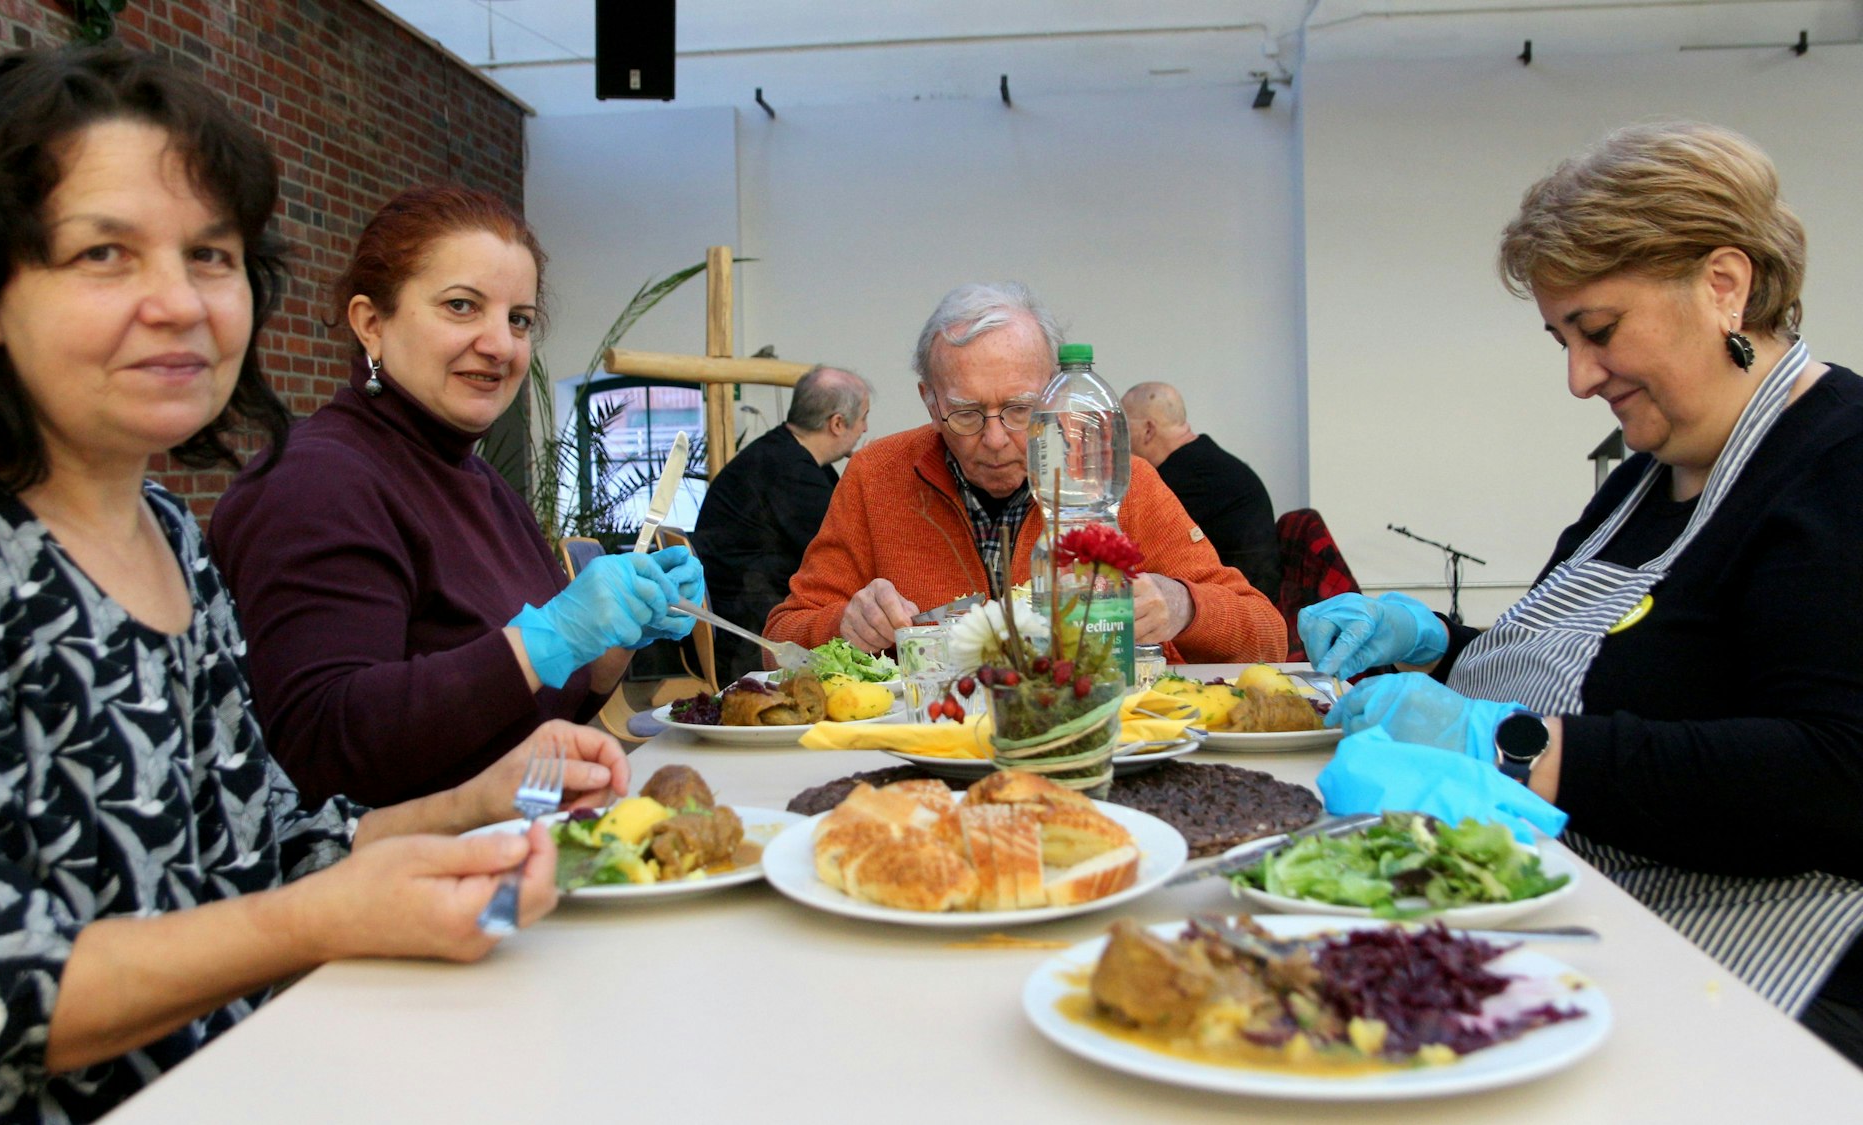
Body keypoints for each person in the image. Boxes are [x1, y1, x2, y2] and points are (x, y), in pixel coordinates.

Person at [0, 46, 630, 1122]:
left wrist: (479, 803)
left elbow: (267, 844)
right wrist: (317, 921)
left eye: (210, 256)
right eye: (104, 255)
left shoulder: (170, 541)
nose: (178, 302)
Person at [1299, 122, 1863, 1064]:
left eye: (1599, 331)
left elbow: (1834, 773)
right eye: (1562, 339)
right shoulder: (1651, 470)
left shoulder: (1838, 464)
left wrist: (1515, 747)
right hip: (1587, 898)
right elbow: (1625, 663)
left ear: (1725, 285)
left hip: (1759, 972)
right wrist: (1430, 639)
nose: (1577, 377)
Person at [208, 185, 704, 806]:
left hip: (513, 848)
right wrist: (548, 637)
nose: (500, 345)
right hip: (398, 886)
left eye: (518, 319)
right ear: (371, 324)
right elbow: (322, 750)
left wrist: (612, 643)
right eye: (462, 307)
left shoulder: (485, 486)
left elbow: (539, 718)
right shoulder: (312, 482)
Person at [765, 282, 1285, 663]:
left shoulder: (1117, 480)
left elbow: (1267, 635)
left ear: (1056, 391)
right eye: (966, 414)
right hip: (932, 753)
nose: (994, 440)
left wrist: (1182, 605)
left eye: (1020, 410)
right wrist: (843, 624)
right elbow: (778, 641)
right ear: (929, 401)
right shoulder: (876, 475)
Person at [694, 365, 870, 678]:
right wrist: (874, 475)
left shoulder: (782, 455)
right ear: (838, 424)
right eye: (863, 418)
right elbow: (850, 555)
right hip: (751, 640)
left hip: (740, 621)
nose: (865, 429)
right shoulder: (791, 473)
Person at [1121, 380, 1282, 602]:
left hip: (1241, 602)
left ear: (1148, 430)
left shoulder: (1185, 478)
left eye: (1122, 427)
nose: (1116, 439)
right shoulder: (1207, 463)